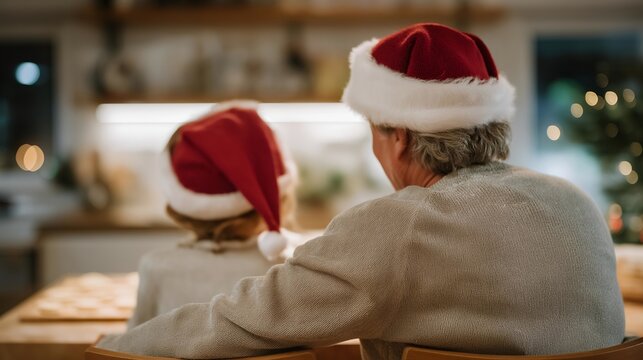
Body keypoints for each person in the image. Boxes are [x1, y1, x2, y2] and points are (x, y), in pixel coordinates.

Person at [98, 23, 624, 360]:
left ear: (398, 137)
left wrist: (113, 347)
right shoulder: (576, 204)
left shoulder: (396, 228)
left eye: (372, 130)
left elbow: (235, 322)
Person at [128, 101, 299, 328]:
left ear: (182, 208)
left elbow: (134, 344)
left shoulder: (157, 269)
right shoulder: (291, 269)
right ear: (279, 196)